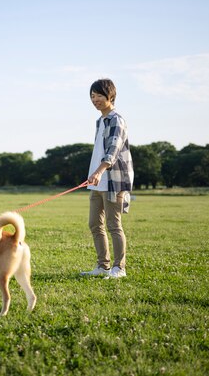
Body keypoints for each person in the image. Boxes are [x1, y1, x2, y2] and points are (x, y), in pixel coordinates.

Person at [81, 79, 134, 279]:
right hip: (97, 181)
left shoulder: (116, 120)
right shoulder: (100, 121)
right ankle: (103, 266)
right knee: (95, 223)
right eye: (92, 96)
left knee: (114, 224)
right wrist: (94, 174)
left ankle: (119, 268)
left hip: (113, 179)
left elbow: (113, 150)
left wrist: (99, 171)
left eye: (99, 96)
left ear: (110, 96)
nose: (95, 100)